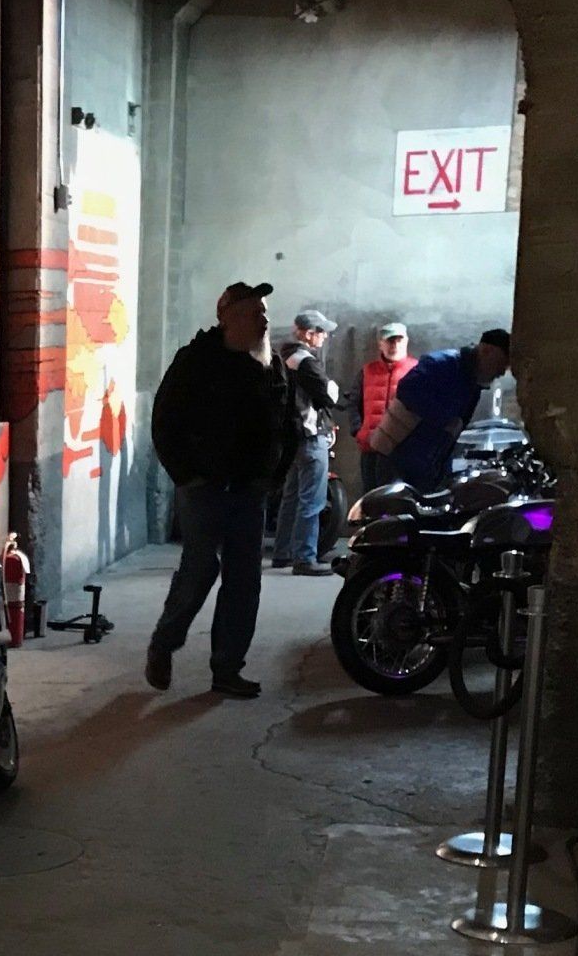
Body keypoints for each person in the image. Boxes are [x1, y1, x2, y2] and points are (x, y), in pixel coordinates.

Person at [146, 280, 297, 698]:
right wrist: (186, 476)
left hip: (250, 491)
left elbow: (288, 426)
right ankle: (164, 643)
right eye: (254, 313)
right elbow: (164, 422)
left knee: (244, 580)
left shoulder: (272, 366)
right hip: (204, 488)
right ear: (228, 318)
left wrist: (274, 476)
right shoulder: (196, 361)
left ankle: (227, 669)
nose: (264, 320)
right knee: (200, 570)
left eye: (264, 313)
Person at [368, 328, 512, 492]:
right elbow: (408, 390)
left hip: (424, 465)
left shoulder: (472, 382)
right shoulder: (443, 364)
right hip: (396, 458)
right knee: (394, 506)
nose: (502, 372)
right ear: (487, 351)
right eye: (501, 363)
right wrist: (445, 419)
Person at [271, 310, 339, 576]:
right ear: (309, 334)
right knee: (312, 500)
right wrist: (332, 386)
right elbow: (328, 396)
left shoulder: (282, 357)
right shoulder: (306, 361)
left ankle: (282, 553)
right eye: (321, 332)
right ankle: (304, 557)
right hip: (310, 436)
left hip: (291, 439)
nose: (325, 337)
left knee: (290, 497)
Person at [355, 321, 417, 492]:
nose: (394, 345)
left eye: (399, 340)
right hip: (371, 447)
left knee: (398, 496)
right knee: (370, 495)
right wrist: (358, 431)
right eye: (390, 341)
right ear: (380, 344)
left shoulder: (416, 371)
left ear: (406, 341)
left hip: (402, 449)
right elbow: (354, 402)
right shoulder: (367, 371)